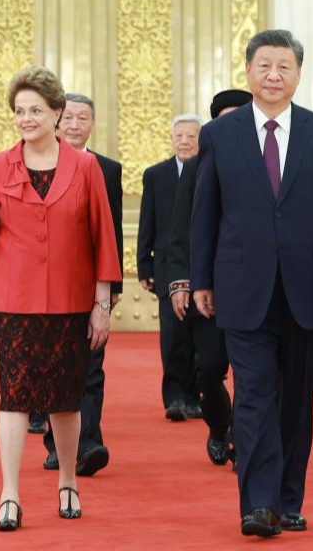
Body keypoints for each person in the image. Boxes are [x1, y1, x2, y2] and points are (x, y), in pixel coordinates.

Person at [191, 29, 313, 537]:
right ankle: (257, 504)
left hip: (308, 286)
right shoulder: (219, 136)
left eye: (283, 66)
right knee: (252, 393)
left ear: (297, 74)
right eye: (264, 65)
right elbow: (206, 213)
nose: (273, 75)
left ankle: (289, 499)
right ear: (247, 72)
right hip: (242, 286)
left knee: (296, 398)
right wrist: (201, 278)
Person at [0, 65, 121, 531]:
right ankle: (9, 494)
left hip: (72, 303)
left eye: (35, 110)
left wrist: (101, 304)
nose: (26, 119)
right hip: (12, 304)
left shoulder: (86, 167)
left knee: (65, 400)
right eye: (19, 111)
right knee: (12, 398)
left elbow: (103, 238)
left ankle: (68, 479)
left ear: (57, 113)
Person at [166, 88, 253, 467]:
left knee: (254, 374)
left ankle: (244, 440)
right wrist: (182, 282)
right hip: (209, 290)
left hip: (253, 288)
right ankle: (220, 428)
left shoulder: (265, 161)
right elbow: (181, 232)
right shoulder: (199, 164)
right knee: (210, 369)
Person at [39, 92, 124, 477]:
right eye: (68, 118)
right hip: (45, 284)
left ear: (93, 124)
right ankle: (56, 445)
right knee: (52, 365)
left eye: (82, 118)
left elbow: (113, 230)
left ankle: (88, 444)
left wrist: (113, 283)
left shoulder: (107, 169)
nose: (74, 125)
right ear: (57, 121)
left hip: (91, 284)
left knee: (91, 364)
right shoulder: (37, 162)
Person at [137, 114, 203, 421]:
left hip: (201, 266)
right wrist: (143, 264)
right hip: (166, 266)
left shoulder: (207, 171)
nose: (185, 141)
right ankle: (175, 396)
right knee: (174, 336)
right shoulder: (156, 175)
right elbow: (146, 222)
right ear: (172, 139)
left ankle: (195, 396)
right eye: (180, 136)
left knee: (198, 338)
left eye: (192, 136)